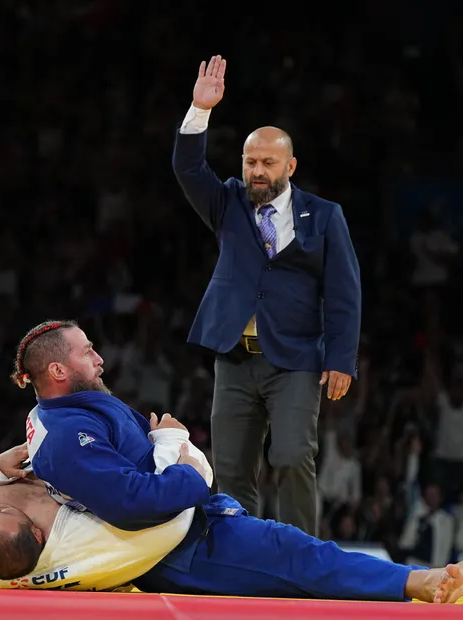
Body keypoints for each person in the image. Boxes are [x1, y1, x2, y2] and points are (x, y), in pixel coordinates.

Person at [6, 319, 463, 603]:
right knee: (293, 554)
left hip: (183, 534)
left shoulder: (71, 414)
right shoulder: (69, 435)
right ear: (58, 370)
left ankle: (416, 580)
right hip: (175, 549)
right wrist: (184, 462)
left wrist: (160, 442)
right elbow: (134, 502)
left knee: (293, 556)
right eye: (88, 352)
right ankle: (422, 582)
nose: (100, 358)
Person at [172, 56, 363, 535]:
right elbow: (188, 168)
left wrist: (341, 357)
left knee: (293, 455)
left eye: (267, 162)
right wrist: (200, 110)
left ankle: (301, 557)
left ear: (290, 165)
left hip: (296, 357)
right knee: (233, 468)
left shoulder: (323, 216)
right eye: (250, 161)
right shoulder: (228, 203)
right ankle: (243, 556)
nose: (257, 171)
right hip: (235, 358)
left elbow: (343, 292)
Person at [0, 434, 212, 591]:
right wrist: (172, 445)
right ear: (38, 533)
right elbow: (172, 515)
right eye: (3, 511)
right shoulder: (92, 542)